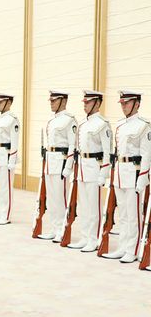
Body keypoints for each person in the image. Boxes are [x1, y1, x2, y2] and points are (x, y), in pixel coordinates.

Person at [102, 90, 151, 263]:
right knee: (122, 213)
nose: (123, 106)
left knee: (133, 214)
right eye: (122, 103)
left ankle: (133, 249)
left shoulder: (144, 125)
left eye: (127, 103)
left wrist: (143, 178)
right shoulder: (121, 125)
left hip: (134, 173)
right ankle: (123, 247)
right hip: (121, 173)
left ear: (137, 104)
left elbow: (147, 154)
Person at [68, 90, 111, 252]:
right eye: (84, 102)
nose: (85, 105)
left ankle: (94, 239)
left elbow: (108, 151)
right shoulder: (83, 124)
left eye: (88, 102)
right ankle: (85, 237)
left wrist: (104, 173)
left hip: (94, 168)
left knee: (94, 207)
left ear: (97, 103)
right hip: (83, 168)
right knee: (84, 206)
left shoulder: (102, 123)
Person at [37, 90, 77, 242]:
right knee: (52, 198)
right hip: (50, 161)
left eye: (54, 101)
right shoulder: (52, 121)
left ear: (63, 101)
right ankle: (54, 229)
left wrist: (68, 167)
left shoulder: (69, 120)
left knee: (61, 198)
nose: (51, 103)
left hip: (61, 161)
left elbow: (73, 145)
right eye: (51, 101)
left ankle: (62, 229)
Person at [0, 93, 20, 225]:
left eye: (1, 102)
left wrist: (12, 161)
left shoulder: (13, 119)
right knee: (1, 187)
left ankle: (6, 215)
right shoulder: (0, 119)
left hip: (6, 156)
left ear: (9, 103)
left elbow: (15, 142)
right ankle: (0, 213)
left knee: (7, 188)